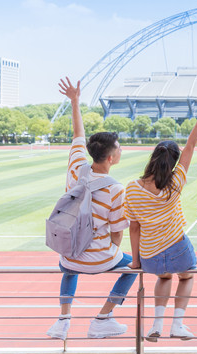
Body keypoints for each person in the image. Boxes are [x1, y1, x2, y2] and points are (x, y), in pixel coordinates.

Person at [46, 78, 136, 340]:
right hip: (100, 259)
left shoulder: (76, 168)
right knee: (133, 267)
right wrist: (112, 251)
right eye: (119, 148)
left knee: (68, 265)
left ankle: (63, 319)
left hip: (69, 254)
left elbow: (78, 135)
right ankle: (103, 317)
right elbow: (118, 233)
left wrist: (75, 101)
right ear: (111, 158)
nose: (121, 150)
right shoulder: (115, 189)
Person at [124, 91, 197, 342]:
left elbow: (133, 228)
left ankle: (156, 326)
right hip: (178, 248)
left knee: (163, 278)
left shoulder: (132, 187)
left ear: (153, 158)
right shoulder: (176, 182)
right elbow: (191, 145)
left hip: (150, 254)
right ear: (173, 162)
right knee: (186, 278)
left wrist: (135, 261)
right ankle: (177, 325)